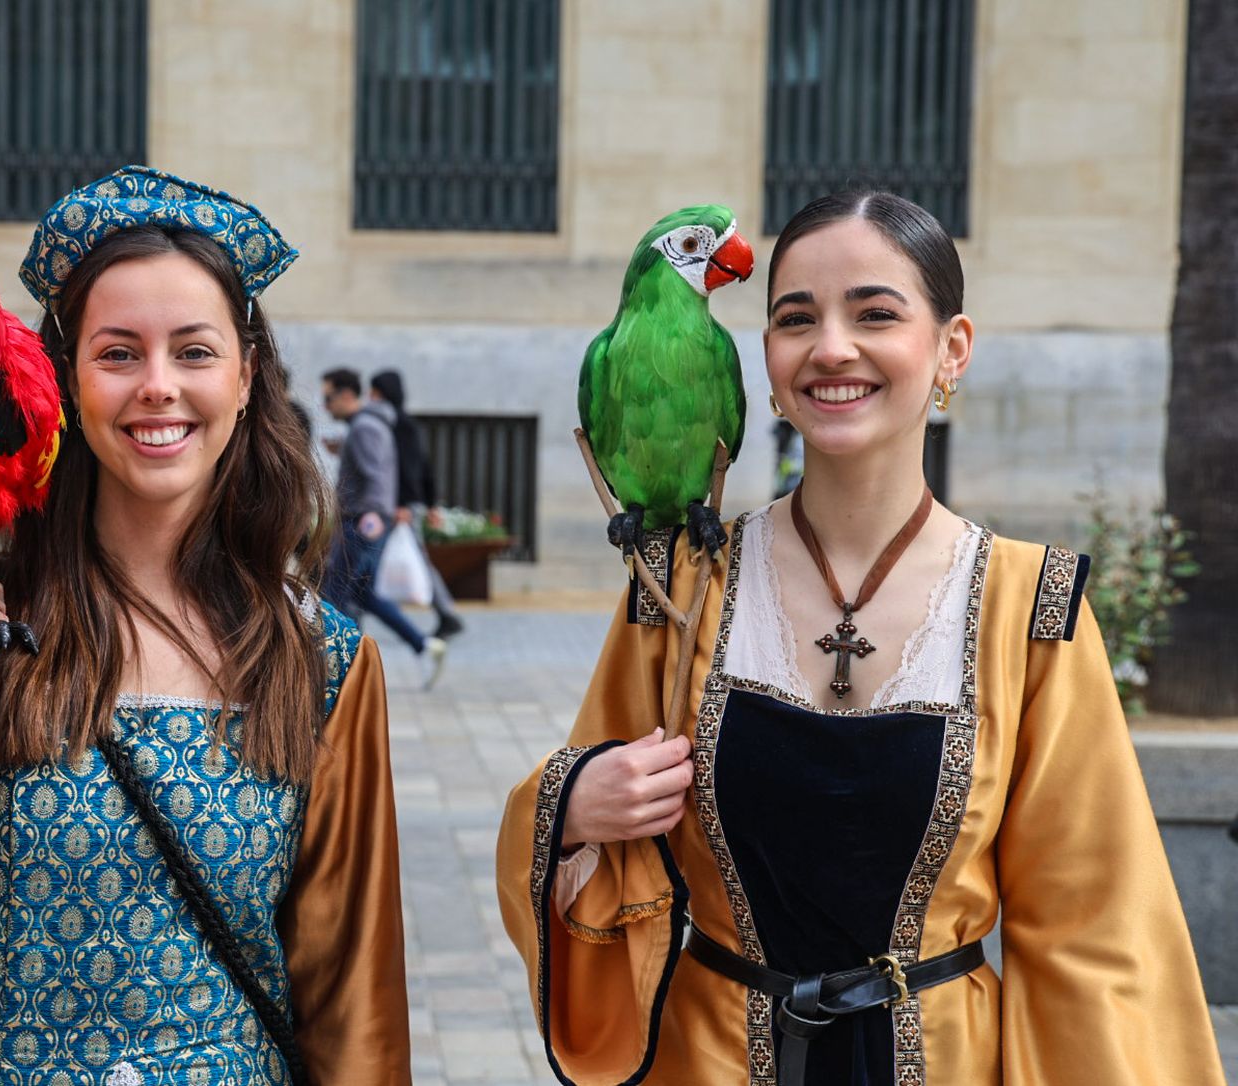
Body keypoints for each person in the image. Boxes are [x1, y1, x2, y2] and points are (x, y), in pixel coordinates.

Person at [496, 191, 1223, 1084]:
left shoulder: (1029, 611)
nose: (832, 347)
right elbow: (595, 852)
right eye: (796, 317)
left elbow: (1096, 936)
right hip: (712, 1062)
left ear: (952, 348)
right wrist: (567, 809)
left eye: (875, 313)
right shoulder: (681, 590)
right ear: (764, 360)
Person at [0, 166, 412, 1084]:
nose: (158, 387)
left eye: (194, 352)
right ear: (67, 380)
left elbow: (354, 1006)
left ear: (245, 376)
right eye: (119, 354)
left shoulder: (322, 663)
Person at [320, 367, 447, 687]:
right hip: (367, 521)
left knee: (334, 595)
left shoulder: (364, 427)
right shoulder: (365, 427)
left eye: (328, 397)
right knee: (366, 595)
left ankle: (334, 671)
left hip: (361, 523)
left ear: (347, 395)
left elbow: (377, 478)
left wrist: (372, 519)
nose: (325, 405)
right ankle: (423, 645)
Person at [368, 368, 465, 639]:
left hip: (401, 507)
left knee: (414, 559)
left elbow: (408, 469)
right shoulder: (402, 424)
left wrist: (404, 504)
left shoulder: (398, 426)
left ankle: (447, 614)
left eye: (374, 391)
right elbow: (424, 467)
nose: (370, 397)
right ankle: (446, 614)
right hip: (403, 505)